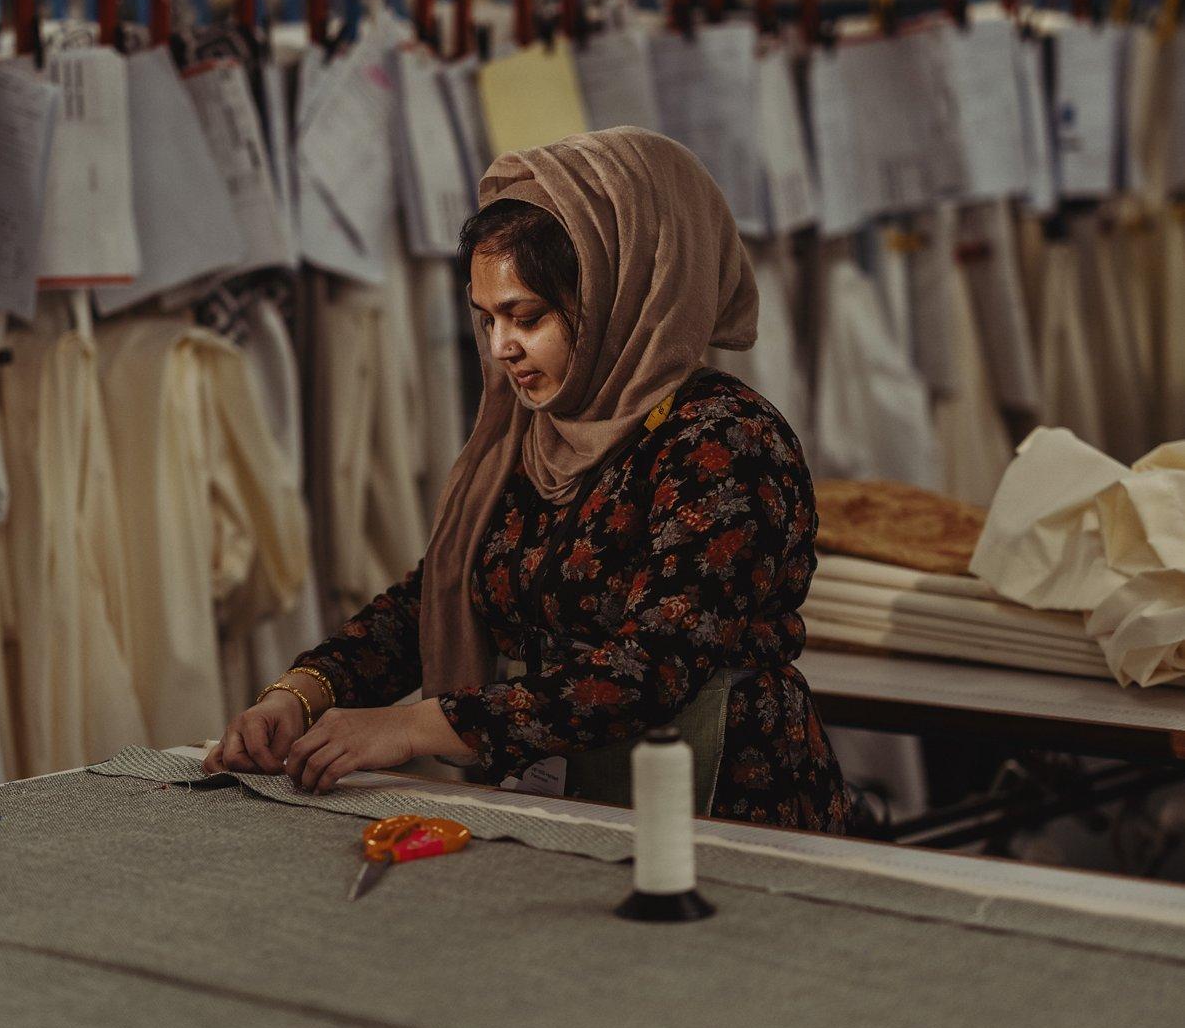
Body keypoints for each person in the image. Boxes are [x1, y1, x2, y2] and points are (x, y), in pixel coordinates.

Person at [205, 127, 848, 831]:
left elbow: (652, 665)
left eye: (527, 316)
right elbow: (444, 594)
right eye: (486, 320)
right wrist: (301, 693)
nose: (501, 347)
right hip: (568, 804)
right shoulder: (539, 435)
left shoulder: (724, 441)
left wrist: (418, 725)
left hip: (720, 809)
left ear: (618, 286)